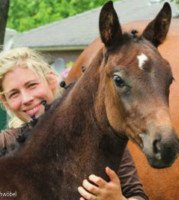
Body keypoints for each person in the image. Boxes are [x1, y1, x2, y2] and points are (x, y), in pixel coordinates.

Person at [0, 47, 148, 200]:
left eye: (32, 85)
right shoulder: (5, 144)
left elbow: (137, 195)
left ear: (51, 81)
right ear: (6, 101)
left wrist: (117, 199)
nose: (26, 99)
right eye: (14, 93)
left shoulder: (101, 133)